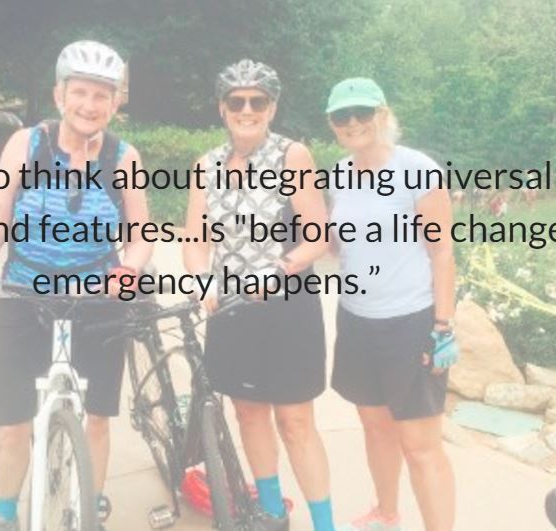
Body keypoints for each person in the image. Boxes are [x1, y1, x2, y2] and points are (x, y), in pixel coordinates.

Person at [0, 40, 152, 531]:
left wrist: (129, 269)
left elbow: (140, 236)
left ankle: (91, 505)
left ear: (115, 103)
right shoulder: (27, 143)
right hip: (24, 295)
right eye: (80, 92)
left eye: (102, 95)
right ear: (59, 95)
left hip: (98, 300)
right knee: (11, 421)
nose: (90, 104)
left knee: (98, 418)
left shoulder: (124, 157)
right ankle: (5, 516)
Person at [182, 59, 335, 531]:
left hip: (287, 307)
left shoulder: (292, 155)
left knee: (295, 422)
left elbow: (317, 235)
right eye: (236, 101)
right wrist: (200, 278)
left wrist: (281, 269)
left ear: (272, 107)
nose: (246, 110)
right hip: (230, 308)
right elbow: (195, 240)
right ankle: (271, 512)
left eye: (257, 101)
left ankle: (325, 524)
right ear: (222, 108)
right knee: (248, 414)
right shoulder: (206, 165)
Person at [325, 78, 458, 531]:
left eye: (363, 112)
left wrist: (443, 326)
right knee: (376, 427)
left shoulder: (418, 170)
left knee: (420, 446)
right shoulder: (338, 175)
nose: (353, 122)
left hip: (411, 322)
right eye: (342, 116)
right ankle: (386, 514)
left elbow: (442, 252)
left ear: (383, 114)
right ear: (332, 123)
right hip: (356, 320)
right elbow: (338, 245)